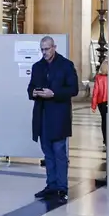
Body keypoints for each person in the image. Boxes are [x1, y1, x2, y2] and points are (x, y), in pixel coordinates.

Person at [27, 36, 79, 203]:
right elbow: (30, 87)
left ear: (54, 47)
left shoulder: (66, 65)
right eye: (42, 49)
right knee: (47, 153)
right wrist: (34, 92)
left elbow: (73, 89)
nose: (44, 52)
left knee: (59, 153)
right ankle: (51, 185)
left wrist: (54, 93)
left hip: (58, 116)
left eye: (47, 49)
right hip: (42, 116)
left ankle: (62, 188)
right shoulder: (37, 66)